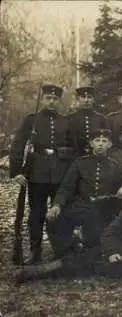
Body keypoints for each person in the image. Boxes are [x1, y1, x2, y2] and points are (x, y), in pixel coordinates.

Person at [9, 84, 74, 264]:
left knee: (59, 212)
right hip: (36, 173)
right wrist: (16, 171)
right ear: (43, 99)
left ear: (59, 101)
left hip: (60, 173)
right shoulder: (31, 120)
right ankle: (35, 251)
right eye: (48, 98)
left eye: (55, 99)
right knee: (36, 213)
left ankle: (60, 249)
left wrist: (67, 166)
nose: (51, 101)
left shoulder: (65, 121)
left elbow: (73, 148)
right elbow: (17, 145)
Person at [46, 129, 122, 259]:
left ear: (110, 145)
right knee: (55, 218)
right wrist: (57, 205)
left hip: (104, 207)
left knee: (94, 239)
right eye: (97, 141)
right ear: (91, 143)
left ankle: (88, 250)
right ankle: (64, 251)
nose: (100, 144)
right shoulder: (79, 163)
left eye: (104, 141)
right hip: (82, 204)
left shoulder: (115, 165)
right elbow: (66, 187)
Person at [68, 86, 110, 157]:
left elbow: (107, 139)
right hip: (75, 157)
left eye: (89, 97)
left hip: (96, 156)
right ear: (78, 99)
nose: (86, 100)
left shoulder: (101, 119)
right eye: (83, 97)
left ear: (93, 99)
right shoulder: (70, 118)